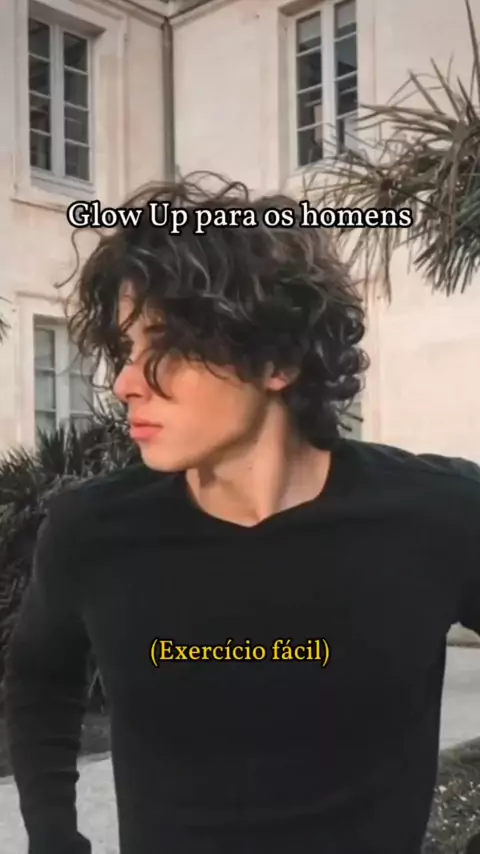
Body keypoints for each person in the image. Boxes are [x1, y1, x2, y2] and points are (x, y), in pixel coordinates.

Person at [4, 172, 480, 854]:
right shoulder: (93, 531)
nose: (126, 382)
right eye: (127, 350)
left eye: (165, 345)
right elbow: (39, 679)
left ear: (278, 360)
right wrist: (53, 838)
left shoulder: (438, 514)